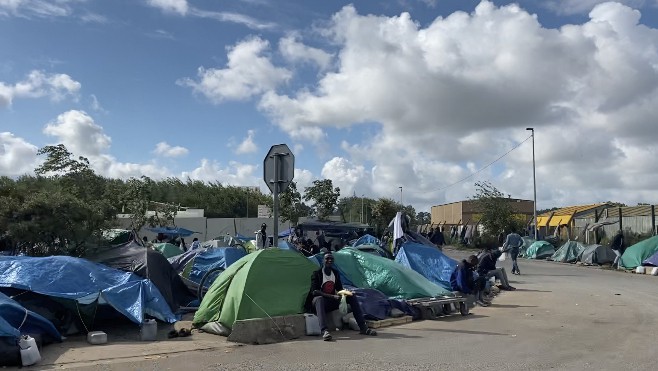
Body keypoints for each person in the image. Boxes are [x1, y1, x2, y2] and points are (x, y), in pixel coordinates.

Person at [308, 253, 377, 341]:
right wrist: (332, 296)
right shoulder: (317, 273)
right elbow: (314, 291)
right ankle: (324, 331)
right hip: (318, 303)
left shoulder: (335, 273)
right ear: (323, 261)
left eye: (331, 259)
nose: (329, 260)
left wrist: (346, 293)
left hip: (331, 301)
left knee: (352, 296)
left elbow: (339, 289)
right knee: (319, 299)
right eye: (327, 259)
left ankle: (363, 327)